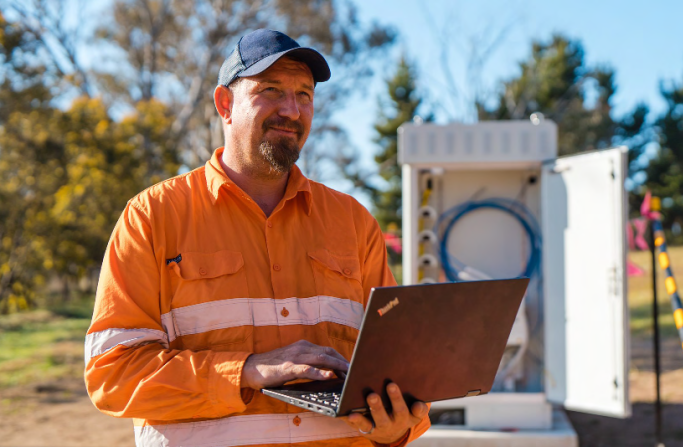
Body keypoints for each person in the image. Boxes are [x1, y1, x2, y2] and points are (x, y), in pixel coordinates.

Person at [84, 29, 431, 447]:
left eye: (305, 95)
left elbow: (394, 370)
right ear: (225, 105)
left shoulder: (354, 222)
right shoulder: (153, 217)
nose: (292, 109)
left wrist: (398, 428)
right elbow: (113, 374)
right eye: (271, 90)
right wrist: (248, 370)